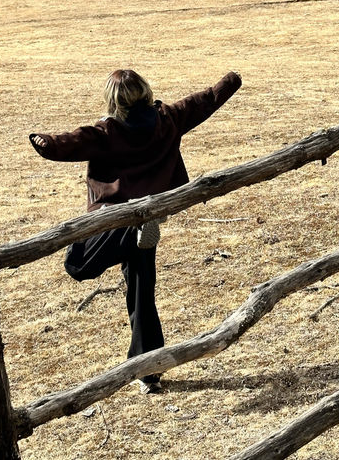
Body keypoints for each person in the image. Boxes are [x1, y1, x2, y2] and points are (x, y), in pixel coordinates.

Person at [29, 69, 241, 393]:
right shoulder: (166, 118)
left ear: (113, 101)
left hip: (117, 220)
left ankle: (132, 233)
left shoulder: (108, 131)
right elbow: (203, 102)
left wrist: (45, 144)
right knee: (142, 293)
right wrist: (230, 81)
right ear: (145, 92)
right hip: (153, 209)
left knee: (77, 264)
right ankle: (149, 371)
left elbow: (74, 142)